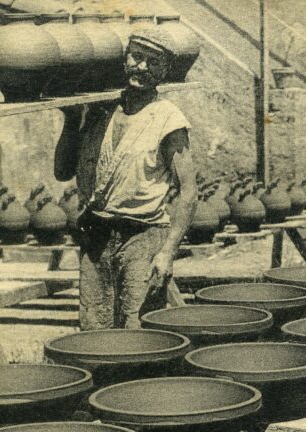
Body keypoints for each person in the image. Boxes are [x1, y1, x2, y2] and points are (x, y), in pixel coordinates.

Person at [54, 26, 196, 330]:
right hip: (96, 235)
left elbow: (189, 192)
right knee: (94, 328)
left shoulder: (168, 119)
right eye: (136, 56)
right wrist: (71, 118)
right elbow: (62, 172)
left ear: (165, 71)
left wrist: (168, 252)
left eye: (153, 62)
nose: (142, 67)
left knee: (138, 330)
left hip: (143, 237)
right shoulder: (100, 112)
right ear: (124, 58)